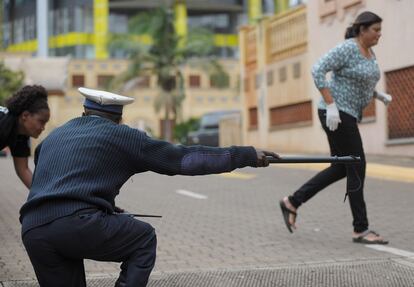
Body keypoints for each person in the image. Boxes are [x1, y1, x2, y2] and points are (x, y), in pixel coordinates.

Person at [20, 87, 279, 287]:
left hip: (34, 229)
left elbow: (54, 173)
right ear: (119, 118)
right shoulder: (124, 136)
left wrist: (102, 205)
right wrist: (245, 155)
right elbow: (185, 159)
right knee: (143, 239)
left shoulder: (54, 136)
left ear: (85, 113)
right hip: (77, 223)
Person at [279, 11, 391, 244]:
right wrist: (331, 105)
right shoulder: (348, 48)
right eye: (376, 30)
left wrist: (377, 95)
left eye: (380, 29)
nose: (380, 34)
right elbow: (317, 69)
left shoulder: (369, 52)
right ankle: (360, 228)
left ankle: (292, 201)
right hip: (337, 114)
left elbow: (357, 80)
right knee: (356, 165)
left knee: (342, 167)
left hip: (347, 113)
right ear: (362, 30)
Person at [0, 85, 50, 188]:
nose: (43, 128)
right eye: (41, 122)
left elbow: (23, 170)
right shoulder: (3, 125)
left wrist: (44, 196)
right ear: (25, 116)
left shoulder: (21, 135)